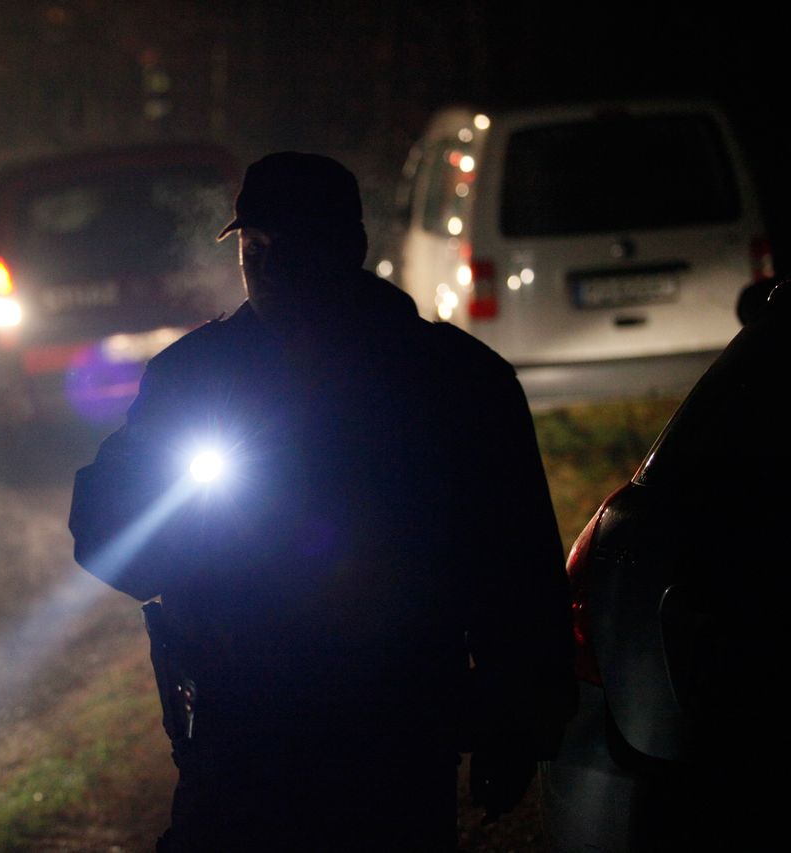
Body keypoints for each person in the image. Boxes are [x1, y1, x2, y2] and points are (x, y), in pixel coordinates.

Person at [69, 152, 576, 850]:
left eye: (293, 245)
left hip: (390, 741)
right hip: (239, 740)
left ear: (350, 249)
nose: (269, 267)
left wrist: (516, 723)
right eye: (254, 247)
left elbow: (517, 567)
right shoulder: (193, 378)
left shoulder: (454, 383)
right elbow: (111, 536)